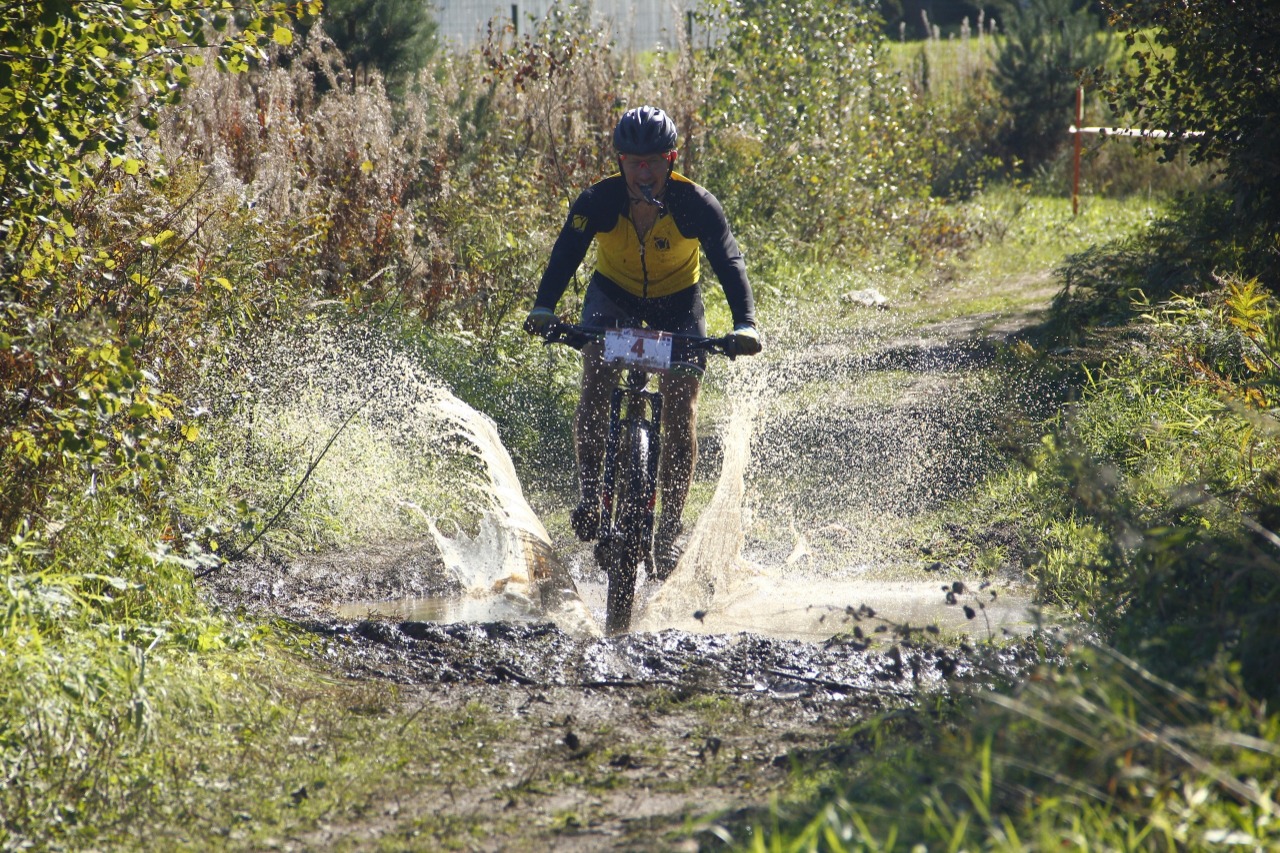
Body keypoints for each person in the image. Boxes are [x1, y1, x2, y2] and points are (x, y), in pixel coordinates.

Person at [524, 105, 761, 578]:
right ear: (619, 161)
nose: (644, 171)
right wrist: (544, 307)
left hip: (679, 306)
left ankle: (669, 531)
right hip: (612, 301)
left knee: (682, 406)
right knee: (595, 381)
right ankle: (591, 494)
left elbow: (729, 262)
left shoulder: (696, 203)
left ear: (671, 159)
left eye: (654, 160)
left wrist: (746, 324)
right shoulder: (599, 200)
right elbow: (566, 253)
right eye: (634, 162)